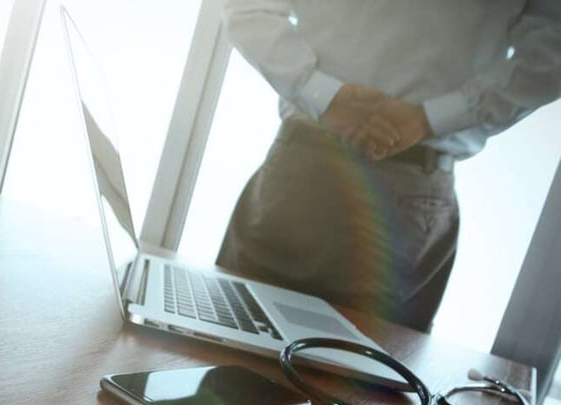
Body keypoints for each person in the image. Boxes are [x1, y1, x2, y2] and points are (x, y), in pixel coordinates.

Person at [216, 0, 561, 331]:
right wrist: (433, 117)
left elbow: (248, 7)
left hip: (308, 168)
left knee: (233, 355)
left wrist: (322, 93)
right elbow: (552, 51)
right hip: (413, 188)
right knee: (367, 379)